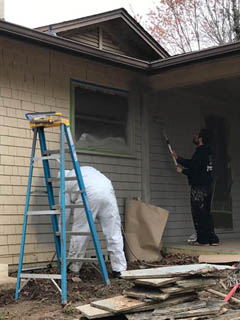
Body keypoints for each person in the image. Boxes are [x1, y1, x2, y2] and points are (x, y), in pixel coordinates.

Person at [63, 166, 127, 277]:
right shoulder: (86, 170)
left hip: (88, 193)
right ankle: (119, 269)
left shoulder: (66, 182)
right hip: (107, 191)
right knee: (113, 232)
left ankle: (73, 268)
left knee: (80, 232)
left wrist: (61, 229)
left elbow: (65, 210)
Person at [172, 129, 219, 246]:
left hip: (199, 187)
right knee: (206, 211)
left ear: (201, 139)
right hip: (208, 185)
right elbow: (194, 164)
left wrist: (182, 170)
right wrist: (178, 158)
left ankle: (202, 239)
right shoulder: (208, 152)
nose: (195, 136)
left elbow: (195, 170)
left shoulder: (200, 152)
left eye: (197, 135)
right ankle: (212, 238)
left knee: (198, 211)